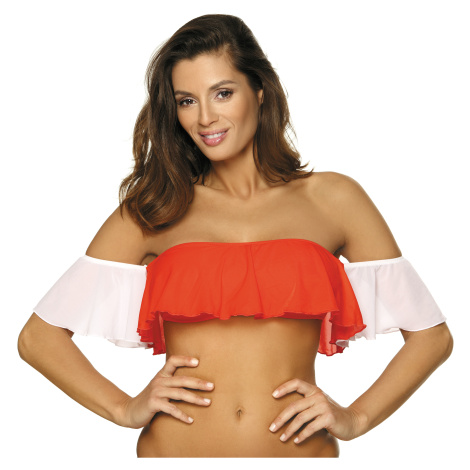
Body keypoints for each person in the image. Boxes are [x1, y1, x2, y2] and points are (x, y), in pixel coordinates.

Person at [17, 14, 453, 458]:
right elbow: (38, 339)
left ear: (260, 91)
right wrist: (123, 408)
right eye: (187, 101)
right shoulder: (156, 207)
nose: (206, 117)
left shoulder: (334, 199)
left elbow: (431, 337)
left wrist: (357, 418)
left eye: (222, 93)